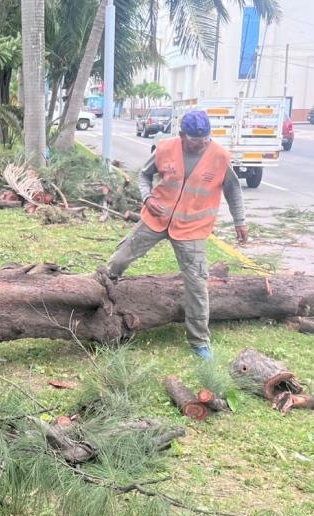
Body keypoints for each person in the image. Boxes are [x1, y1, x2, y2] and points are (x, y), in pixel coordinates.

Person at [101, 109, 249, 359]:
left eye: (204, 139)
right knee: (118, 261)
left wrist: (240, 221)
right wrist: (147, 198)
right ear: (182, 135)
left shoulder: (220, 156)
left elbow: (233, 191)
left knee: (197, 284)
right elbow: (145, 176)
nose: (200, 144)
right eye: (194, 140)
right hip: (156, 218)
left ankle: (199, 341)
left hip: (192, 229)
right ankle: (98, 295)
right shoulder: (165, 148)